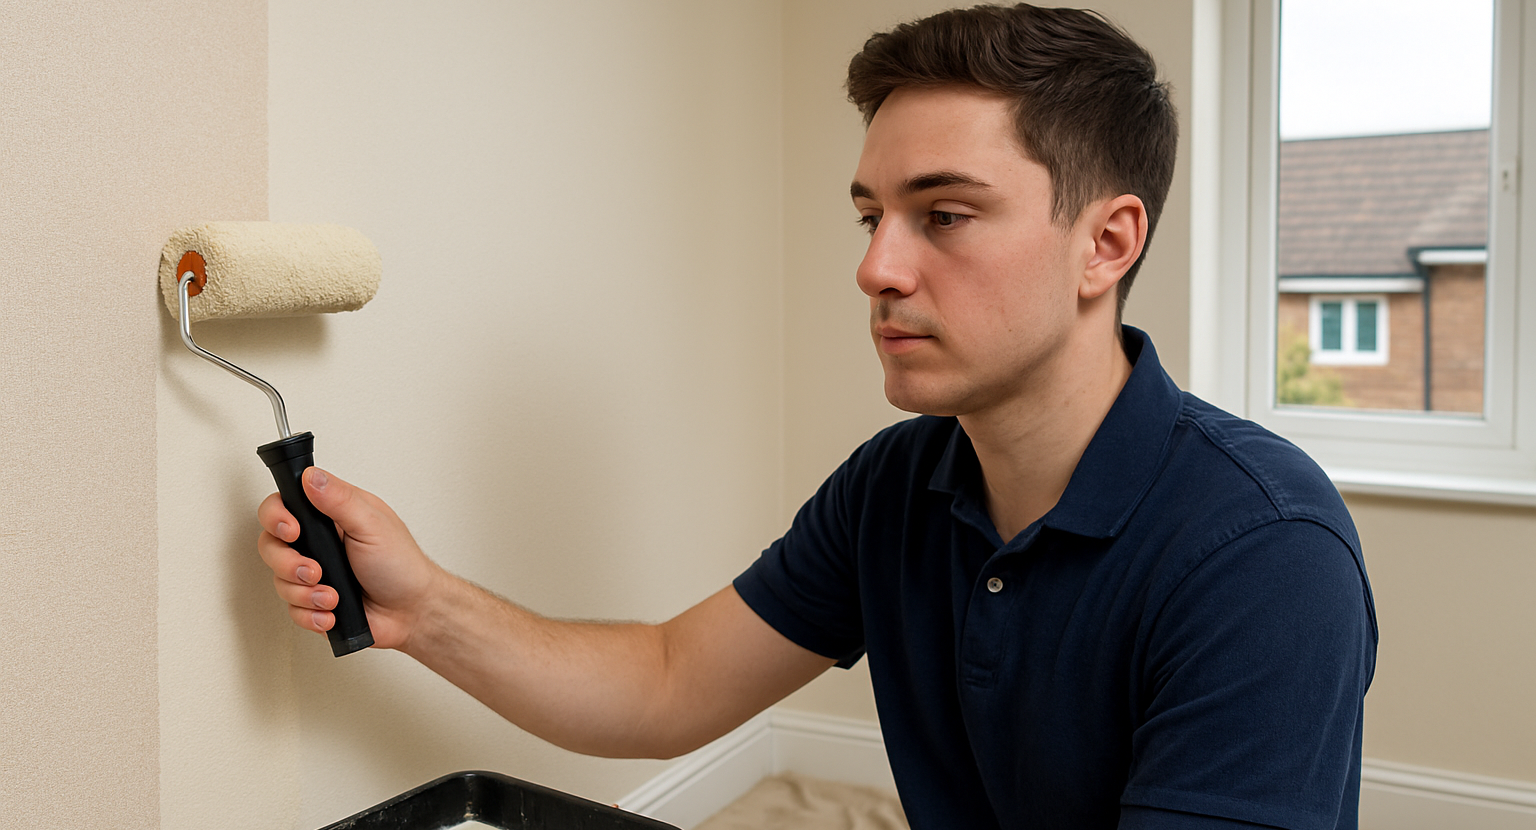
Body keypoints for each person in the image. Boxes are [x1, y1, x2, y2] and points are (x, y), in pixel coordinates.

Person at [258, 4, 1377, 828]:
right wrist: (426, 605)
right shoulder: (899, 483)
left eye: (944, 214)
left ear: (1106, 242)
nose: (878, 267)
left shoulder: (1265, 553)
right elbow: (666, 679)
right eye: (869, 216)